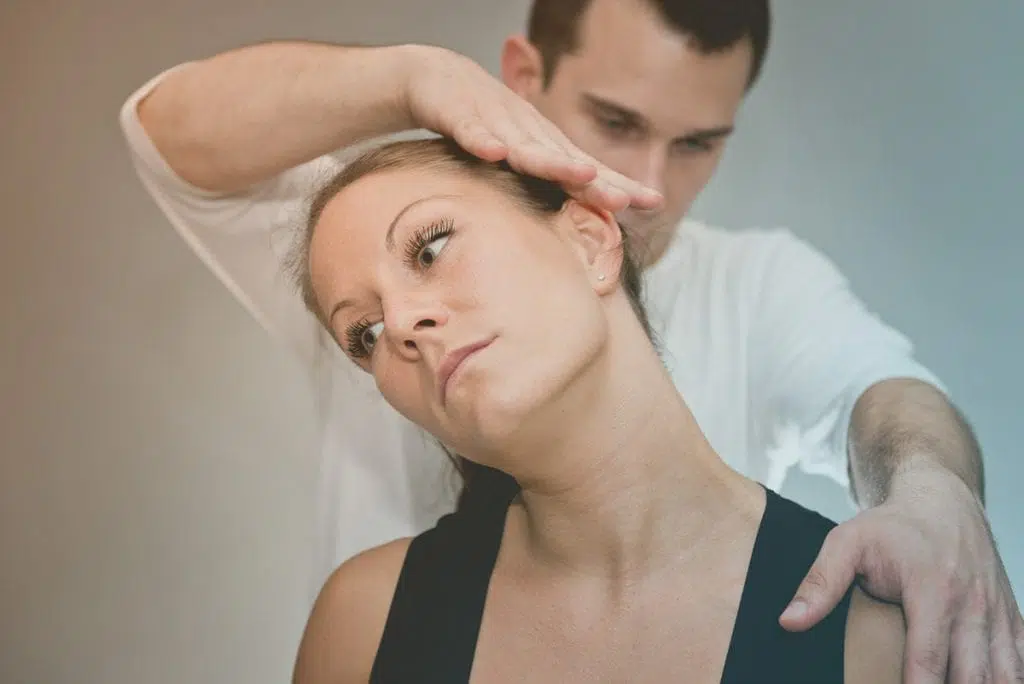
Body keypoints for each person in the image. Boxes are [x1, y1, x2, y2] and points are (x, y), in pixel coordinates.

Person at [118, 1, 1023, 681]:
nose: (649, 188)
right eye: (617, 123)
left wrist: (934, 490)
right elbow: (169, 139)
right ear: (517, 81)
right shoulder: (366, 231)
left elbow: (885, 392)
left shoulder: (761, 288)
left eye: (697, 143)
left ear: (590, 242)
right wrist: (410, 78)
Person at [290, 136, 907, 683]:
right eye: (364, 335)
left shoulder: (887, 637)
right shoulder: (363, 627)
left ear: (590, 240)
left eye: (430, 249)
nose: (399, 324)